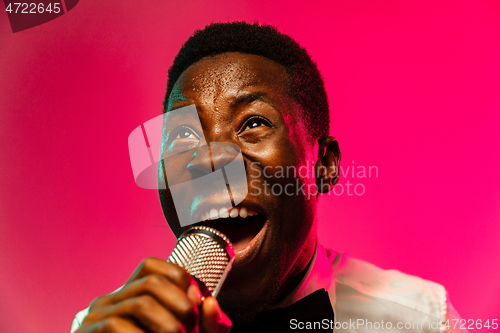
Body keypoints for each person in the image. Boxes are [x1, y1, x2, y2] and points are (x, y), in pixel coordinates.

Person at [71, 22, 466, 333]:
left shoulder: (421, 318)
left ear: (323, 166)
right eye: (184, 135)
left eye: (253, 123)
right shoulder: (108, 327)